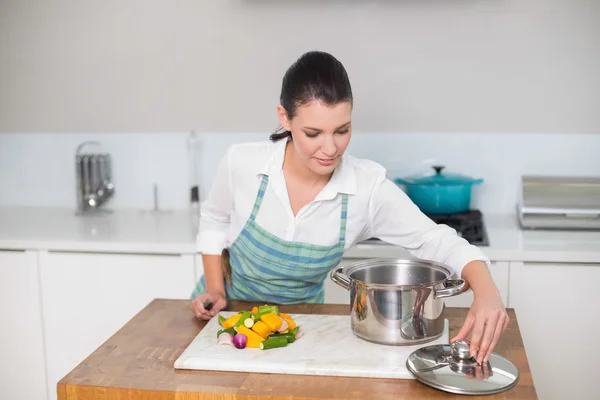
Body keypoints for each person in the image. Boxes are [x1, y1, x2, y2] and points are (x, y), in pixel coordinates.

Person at [190, 50, 509, 365]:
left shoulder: (365, 188)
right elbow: (215, 219)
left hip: (300, 325)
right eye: (313, 134)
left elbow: (435, 240)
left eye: (342, 131)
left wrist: (487, 290)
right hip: (226, 318)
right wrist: (216, 289)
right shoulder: (242, 163)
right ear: (285, 118)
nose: (330, 149)